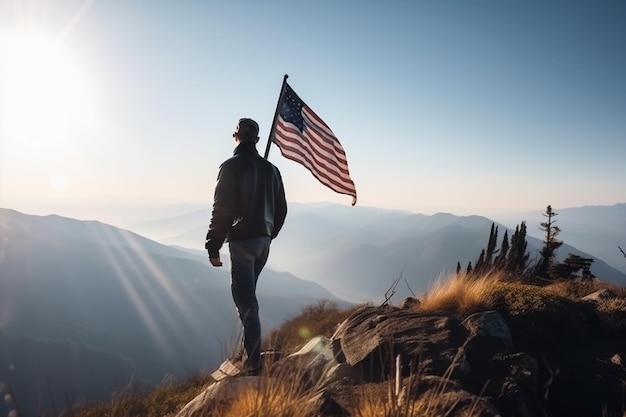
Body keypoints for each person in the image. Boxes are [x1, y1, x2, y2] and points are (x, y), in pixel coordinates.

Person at [205, 118, 287, 375]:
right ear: (258, 140)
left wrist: (213, 245)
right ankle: (248, 352)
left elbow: (222, 209)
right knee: (248, 296)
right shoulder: (272, 170)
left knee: (245, 299)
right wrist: (268, 234)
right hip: (263, 241)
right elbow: (281, 209)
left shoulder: (230, 167)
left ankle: (253, 363)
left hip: (242, 242)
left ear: (235, 136)